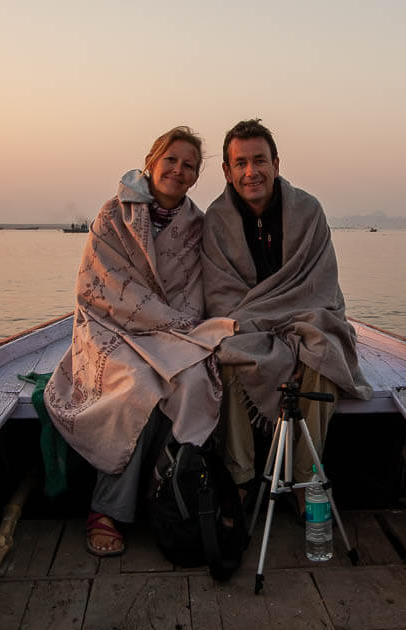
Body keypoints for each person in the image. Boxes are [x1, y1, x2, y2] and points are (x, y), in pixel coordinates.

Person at [44, 126, 236, 556]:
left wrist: (178, 327)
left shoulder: (196, 227)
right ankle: (106, 509)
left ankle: (172, 496)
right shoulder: (113, 215)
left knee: (193, 383)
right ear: (151, 161)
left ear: (195, 177)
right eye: (171, 160)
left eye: (189, 165)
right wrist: (165, 321)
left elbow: (195, 293)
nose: (178, 170)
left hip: (170, 333)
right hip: (110, 328)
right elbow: (100, 288)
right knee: (139, 386)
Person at [201, 119, 372, 513]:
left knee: (325, 350)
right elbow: (221, 298)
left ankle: (306, 480)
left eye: (259, 160)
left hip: (307, 320)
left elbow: (322, 288)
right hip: (246, 326)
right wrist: (269, 332)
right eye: (240, 163)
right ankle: (240, 478)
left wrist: (290, 337)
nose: (251, 172)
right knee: (226, 353)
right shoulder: (215, 221)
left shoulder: (308, 211)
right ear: (227, 172)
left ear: (276, 163)